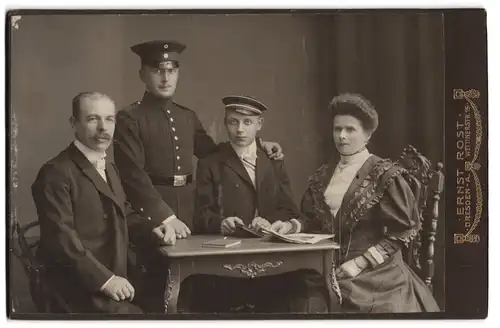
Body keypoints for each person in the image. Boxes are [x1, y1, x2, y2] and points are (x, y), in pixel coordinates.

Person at [113, 40, 284, 312]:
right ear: (143, 75)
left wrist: (258, 144)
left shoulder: (186, 116)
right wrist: (165, 216)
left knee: (198, 290)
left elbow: (216, 154)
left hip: (191, 213)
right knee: (159, 290)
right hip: (152, 216)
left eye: (172, 70)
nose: (166, 77)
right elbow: (133, 176)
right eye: (158, 70)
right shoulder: (129, 118)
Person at [271, 93, 440, 313]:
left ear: (367, 134)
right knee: (295, 301)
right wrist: (291, 227)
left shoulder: (385, 175)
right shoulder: (324, 174)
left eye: (350, 130)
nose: (342, 136)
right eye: (337, 129)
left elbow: (405, 229)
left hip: (375, 272)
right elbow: (313, 219)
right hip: (326, 266)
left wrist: (358, 263)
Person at [31, 92, 176, 314]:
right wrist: (106, 281)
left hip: (117, 273)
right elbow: (61, 240)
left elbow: (122, 212)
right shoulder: (55, 173)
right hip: (75, 287)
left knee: (168, 301)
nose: (103, 128)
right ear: (74, 124)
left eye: (109, 119)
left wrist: (153, 229)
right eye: (92, 119)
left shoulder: (107, 165)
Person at [194, 95, 334, 313]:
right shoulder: (211, 162)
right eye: (233, 121)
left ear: (259, 125)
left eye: (247, 122)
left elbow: (290, 210)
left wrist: (271, 222)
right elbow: (201, 214)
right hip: (227, 264)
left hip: (273, 261)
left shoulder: (273, 161)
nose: (240, 129)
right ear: (225, 123)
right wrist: (222, 223)